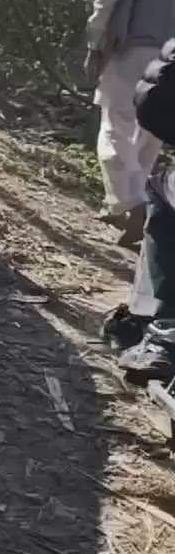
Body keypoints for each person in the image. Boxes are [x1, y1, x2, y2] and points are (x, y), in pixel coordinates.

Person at [82, 0, 175, 247]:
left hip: (130, 45)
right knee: (150, 128)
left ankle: (131, 201)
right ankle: (133, 202)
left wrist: (95, 42)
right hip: (170, 53)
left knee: (114, 125)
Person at [101, 39, 175, 382]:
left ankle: (162, 331)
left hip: (133, 45)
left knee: (160, 189)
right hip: (149, 48)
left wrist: (98, 39)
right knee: (146, 149)